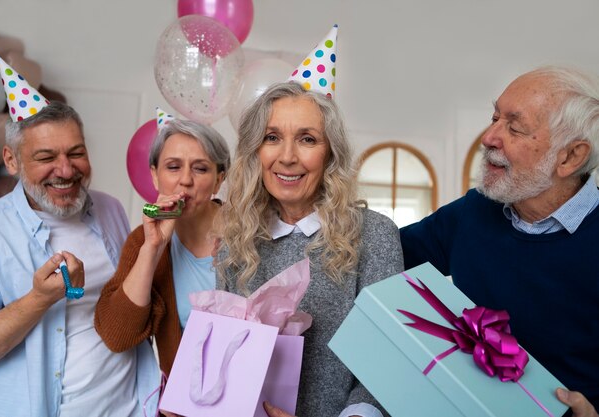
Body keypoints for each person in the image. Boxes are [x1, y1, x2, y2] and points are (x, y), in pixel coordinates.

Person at [400, 66, 599, 417]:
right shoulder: (473, 212)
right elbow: (381, 253)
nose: (489, 137)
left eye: (514, 127)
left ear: (570, 157)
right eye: (494, 118)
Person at [0, 57, 159, 417]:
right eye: (46, 157)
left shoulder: (111, 210)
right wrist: (38, 300)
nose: (66, 169)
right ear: (12, 162)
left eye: (77, 153)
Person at [215, 81, 404, 417]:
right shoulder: (236, 240)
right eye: (272, 138)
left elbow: (389, 360)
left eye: (307, 139)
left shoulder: (374, 235)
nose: (287, 157)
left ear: (330, 153)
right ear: (255, 151)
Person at [94, 117, 229, 384]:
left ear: (218, 180)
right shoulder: (142, 240)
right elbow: (116, 336)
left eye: (201, 169)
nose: (185, 180)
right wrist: (152, 249)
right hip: (184, 405)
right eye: (173, 167)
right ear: (155, 176)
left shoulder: (250, 231)